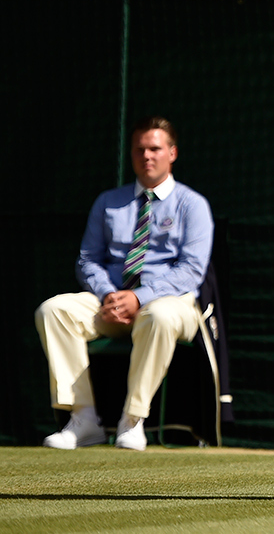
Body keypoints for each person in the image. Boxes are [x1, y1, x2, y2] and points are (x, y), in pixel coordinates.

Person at [35, 117, 214, 452]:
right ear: (131, 154)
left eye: (155, 149)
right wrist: (110, 296)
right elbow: (87, 259)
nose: (147, 156)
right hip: (111, 302)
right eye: (140, 149)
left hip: (171, 305)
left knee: (158, 315)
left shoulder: (193, 205)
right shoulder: (108, 202)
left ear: (172, 153)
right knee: (53, 310)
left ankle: (133, 420)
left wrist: (139, 297)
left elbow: (191, 271)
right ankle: (83, 419)